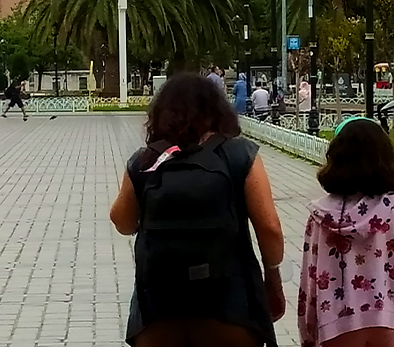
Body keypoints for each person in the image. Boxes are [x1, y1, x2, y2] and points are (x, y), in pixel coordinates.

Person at [109, 72, 286, 347]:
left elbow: (122, 223)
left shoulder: (146, 161)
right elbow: (270, 228)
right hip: (230, 308)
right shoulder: (239, 154)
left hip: (159, 312)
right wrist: (272, 280)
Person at [298, 117, 394, 347]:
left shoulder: (321, 215)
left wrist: (307, 333)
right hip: (386, 320)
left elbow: (310, 279)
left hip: (335, 324)